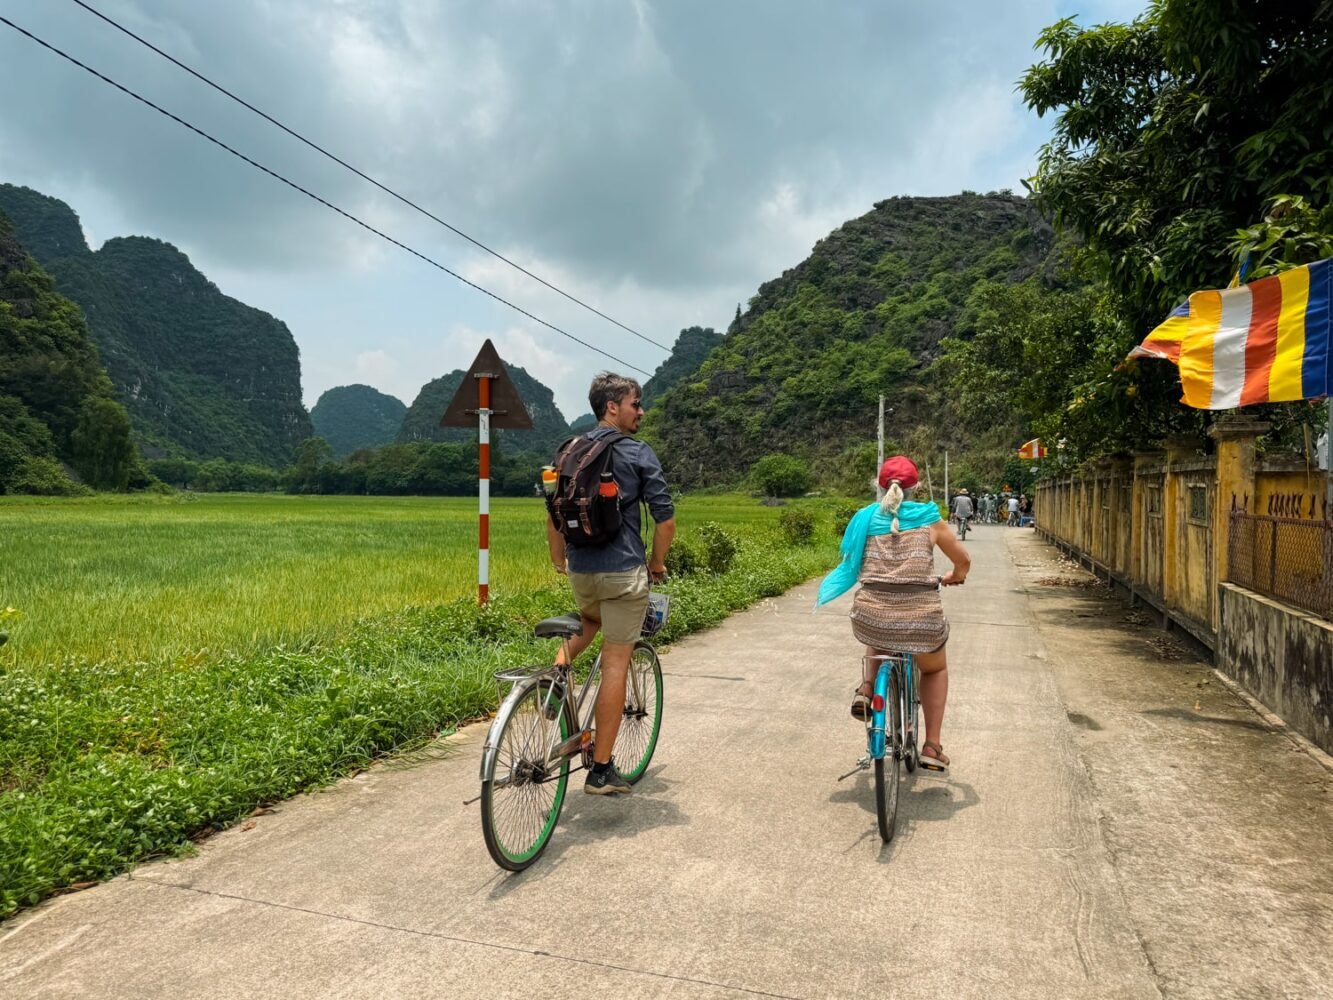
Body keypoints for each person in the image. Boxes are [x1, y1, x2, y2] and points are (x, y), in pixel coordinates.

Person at [546, 373, 676, 795]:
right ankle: (601, 770)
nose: (641, 411)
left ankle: (557, 672)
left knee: (589, 618)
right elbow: (665, 520)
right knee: (616, 662)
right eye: (635, 403)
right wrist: (656, 564)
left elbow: (553, 512)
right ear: (612, 407)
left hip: (582, 570)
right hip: (622, 572)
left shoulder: (570, 449)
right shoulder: (637, 452)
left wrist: (560, 559)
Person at [816, 456, 970, 772]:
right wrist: (956, 575)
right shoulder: (930, 518)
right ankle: (932, 745)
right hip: (920, 618)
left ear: (880, 485)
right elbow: (963, 560)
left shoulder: (865, 519)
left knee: (880, 622)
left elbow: (853, 563)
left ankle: (867, 688)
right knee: (934, 668)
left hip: (870, 615)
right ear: (916, 487)